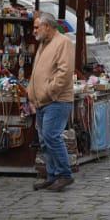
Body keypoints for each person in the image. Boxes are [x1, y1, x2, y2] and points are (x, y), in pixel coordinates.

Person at [30, 12, 75, 192]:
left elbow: (64, 72)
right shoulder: (43, 43)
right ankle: (53, 174)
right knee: (44, 139)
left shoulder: (63, 42)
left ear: (47, 26)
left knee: (51, 136)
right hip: (42, 100)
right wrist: (32, 92)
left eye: (36, 27)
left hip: (56, 100)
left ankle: (65, 174)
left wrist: (49, 91)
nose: (34, 31)